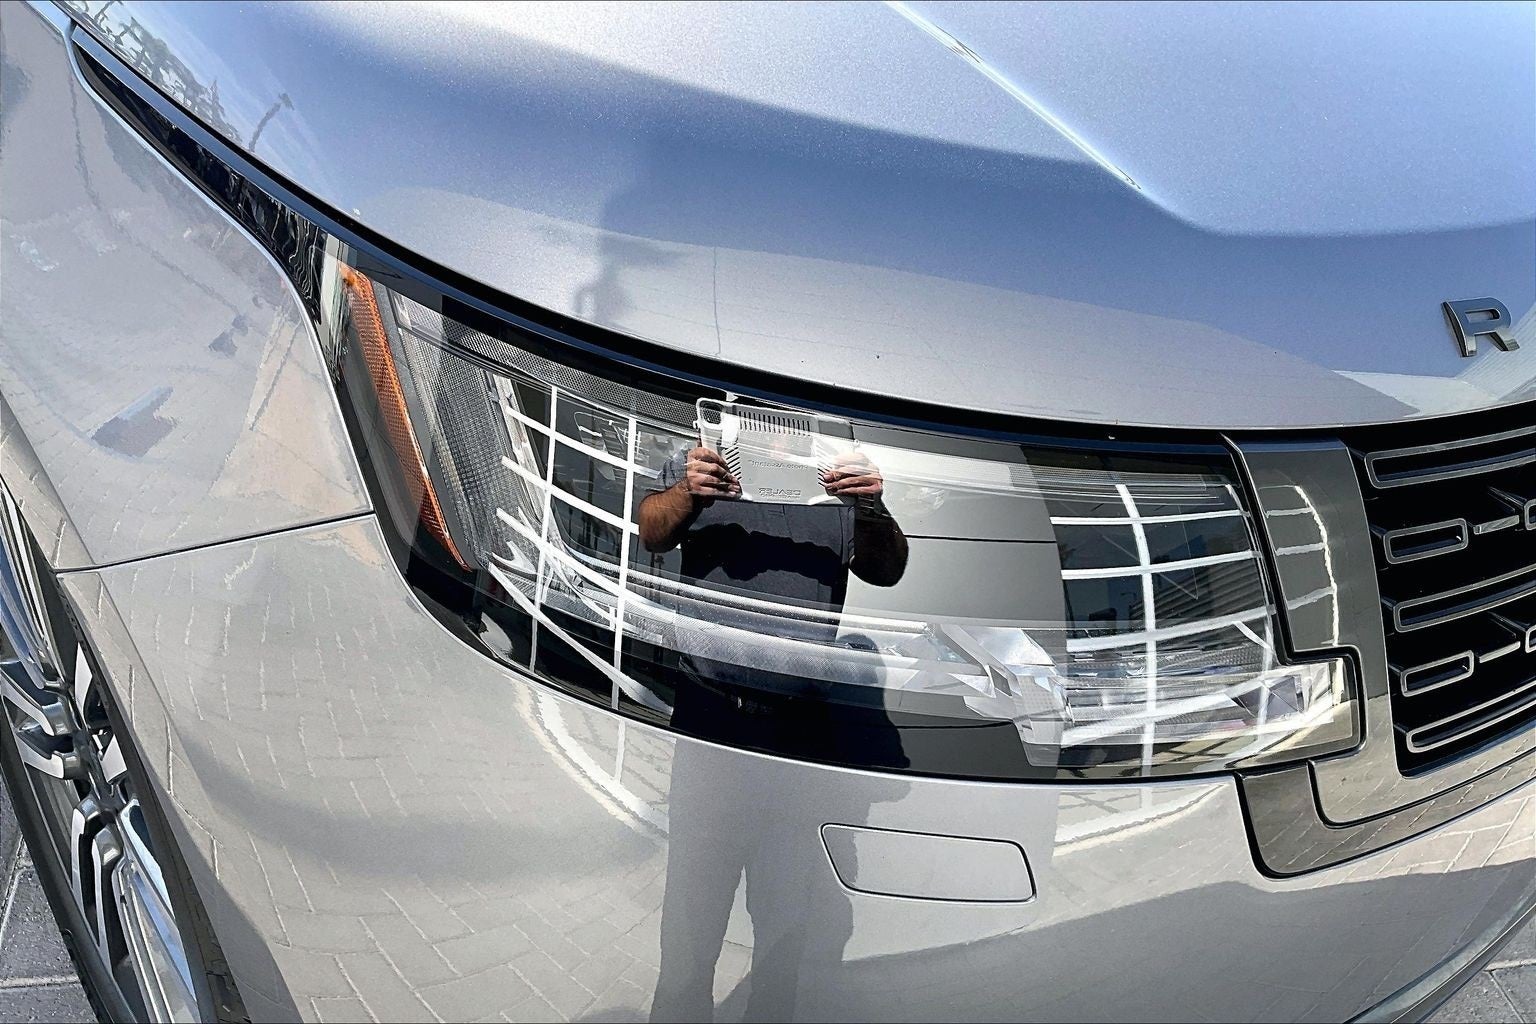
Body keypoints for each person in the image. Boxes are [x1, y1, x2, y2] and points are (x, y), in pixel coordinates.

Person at [640, 443, 909, 1022]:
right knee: (690, 916)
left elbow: (886, 570)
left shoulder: (834, 475)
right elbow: (652, 532)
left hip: (798, 732)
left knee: (786, 915)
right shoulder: (706, 461)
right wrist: (688, 491)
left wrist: (870, 505)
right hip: (711, 724)